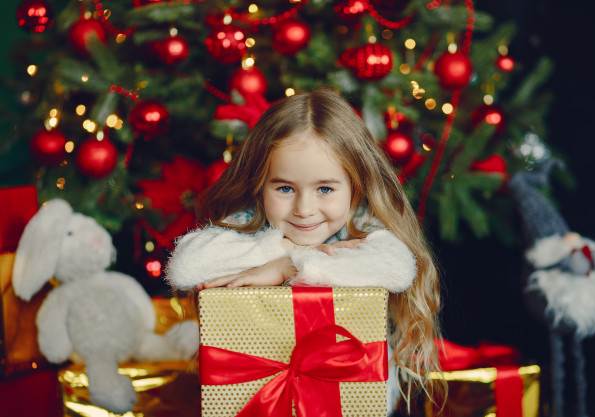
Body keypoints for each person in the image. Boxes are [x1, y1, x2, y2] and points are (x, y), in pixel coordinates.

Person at [166, 88, 444, 414]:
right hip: (256, 399)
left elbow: (397, 269)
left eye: (325, 188)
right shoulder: (251, 222)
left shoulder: (361, 226)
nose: (304, 209)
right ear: (260, 183)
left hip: (349, 399)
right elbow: (186, 265)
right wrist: (282, 253)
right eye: (285, 188)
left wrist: (289, 266)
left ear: (356, 187)